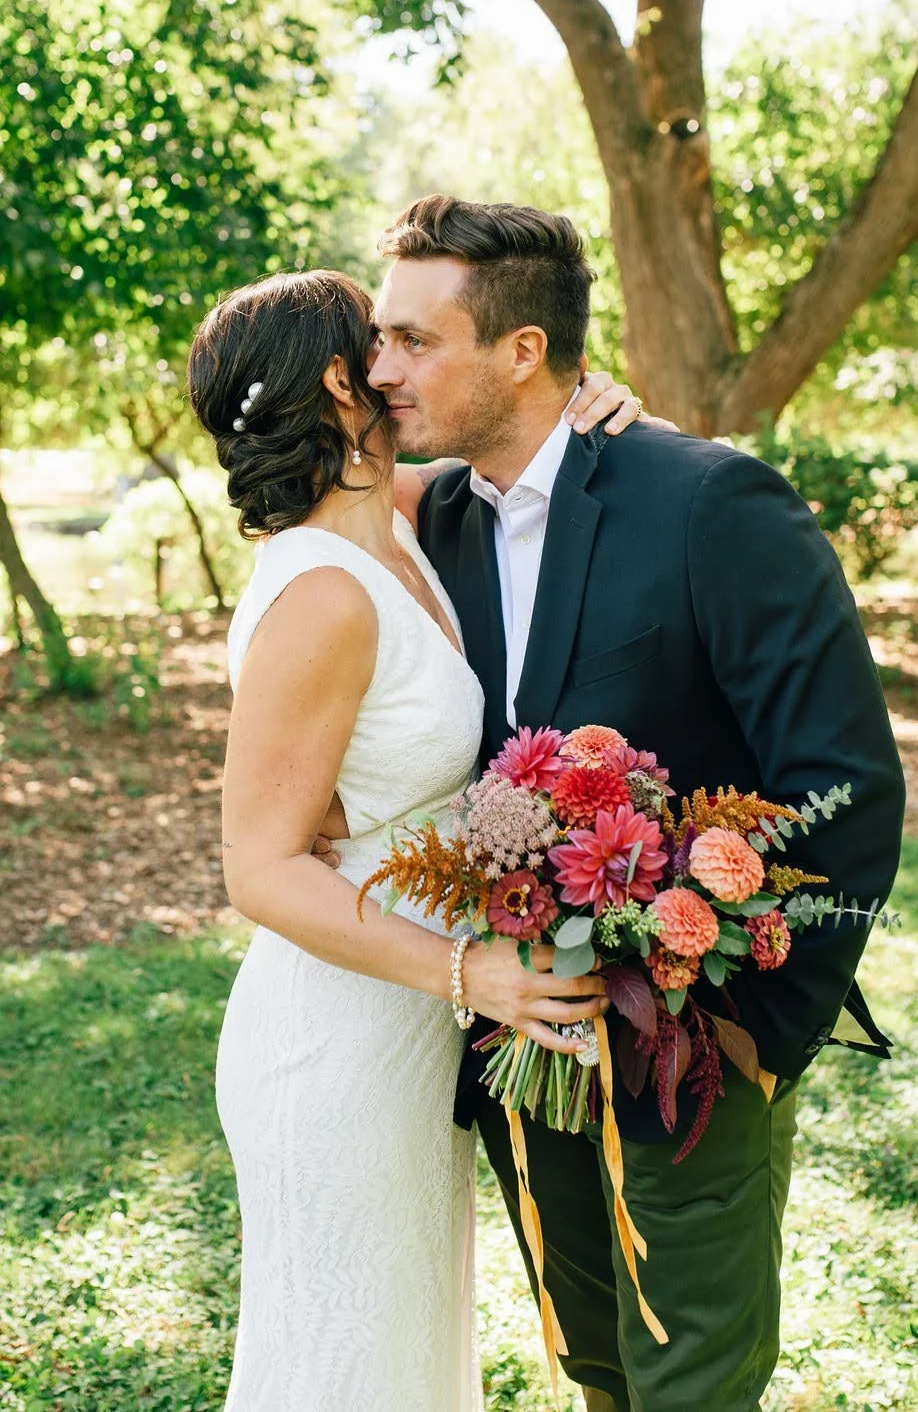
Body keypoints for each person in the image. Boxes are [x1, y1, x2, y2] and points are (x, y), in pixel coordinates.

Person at [368, 194, 906, 1412]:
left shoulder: (709, 502)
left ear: (522, 350)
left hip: (693, 1056)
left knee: (692, 1384)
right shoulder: (434, 517)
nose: (381, 367)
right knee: (595, 1367)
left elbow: (846, 785)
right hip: (514, 1042)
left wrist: (756, 1040)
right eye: (380, 339)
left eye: (412, 340)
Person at [186, 266, 647, 1412]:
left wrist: (590, 403)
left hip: (410, 1034)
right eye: (381, 341)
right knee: (341, 1369)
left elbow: (514, 450)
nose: (401, 360)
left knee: (404, 1355)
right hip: (336, 1039)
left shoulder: (391, 517)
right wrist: (467, 970)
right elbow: (258, 867)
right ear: (341, 382)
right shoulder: (323, 594)